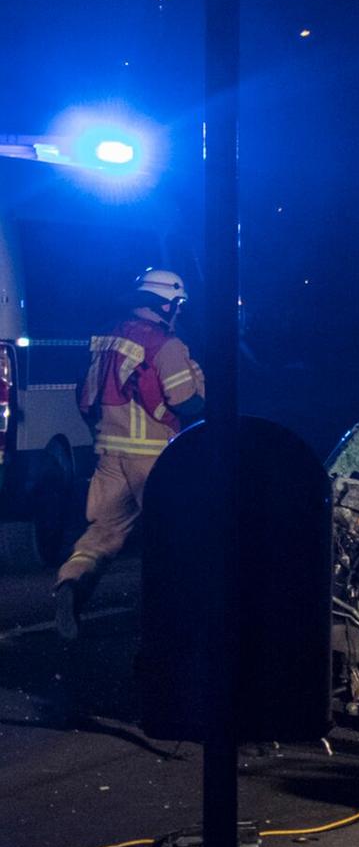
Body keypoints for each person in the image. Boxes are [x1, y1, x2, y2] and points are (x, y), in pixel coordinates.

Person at [54, 269, 205, 642]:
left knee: (101, 534)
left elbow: (86, 397)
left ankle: (71, 584)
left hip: (109, 454)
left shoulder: (107, 339)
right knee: (174, 535)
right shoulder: (165, 345)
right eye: (178, 304)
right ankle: (173, 622)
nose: (179, 312)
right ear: (166, 303)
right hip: (154, 457)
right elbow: (187, 403)